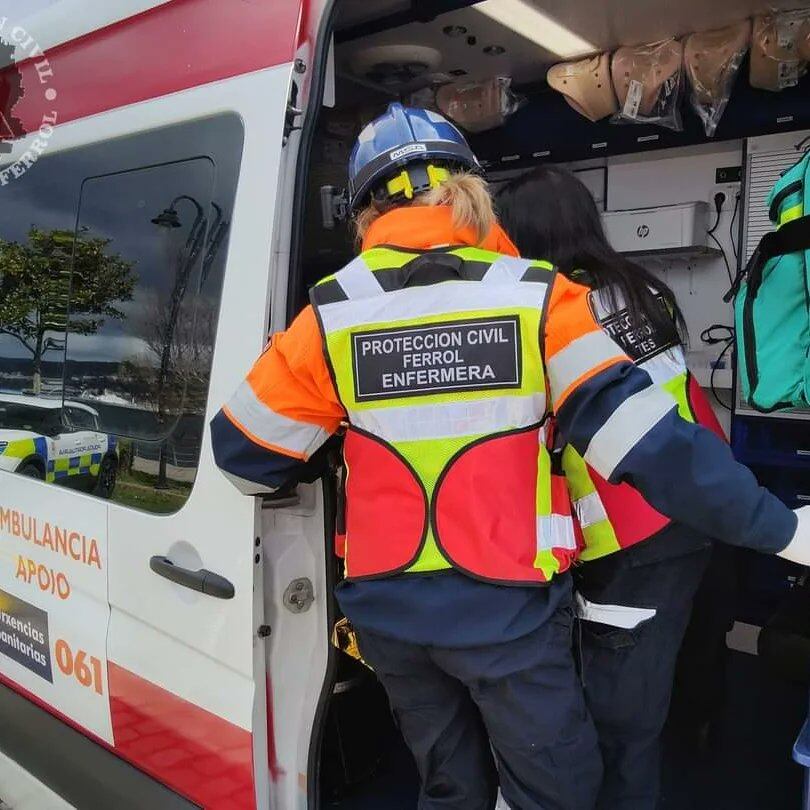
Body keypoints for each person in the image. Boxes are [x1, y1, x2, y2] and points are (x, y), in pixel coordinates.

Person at [211, 103, 810, 810]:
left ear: (365, 212)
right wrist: (782, 528)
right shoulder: (539, 300)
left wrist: (339, 432)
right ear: (471, 192)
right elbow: (651, 445)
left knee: (449, 785)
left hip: (389, 619)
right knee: (558, 788)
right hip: (507, 619)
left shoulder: (327, 317)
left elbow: (242, 456)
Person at [495, 164, 746, 809]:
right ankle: (699, 744)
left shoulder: (554, 313)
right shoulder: (641, 292)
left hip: (630, 534)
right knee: (662, 677)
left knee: (619, 721)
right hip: (689, 507)